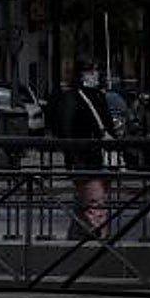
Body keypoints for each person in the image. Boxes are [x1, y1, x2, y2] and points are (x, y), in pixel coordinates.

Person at [48, 56, 115, 238]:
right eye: (91, 70)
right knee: (95, 202)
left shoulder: (79, 96)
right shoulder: (83, 97)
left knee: (85, 200)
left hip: (86, 158)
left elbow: (62, 127)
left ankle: (78, 237)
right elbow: (66, 128)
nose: (94, 74)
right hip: (90, 158)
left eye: (95, 70)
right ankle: (97, 240)